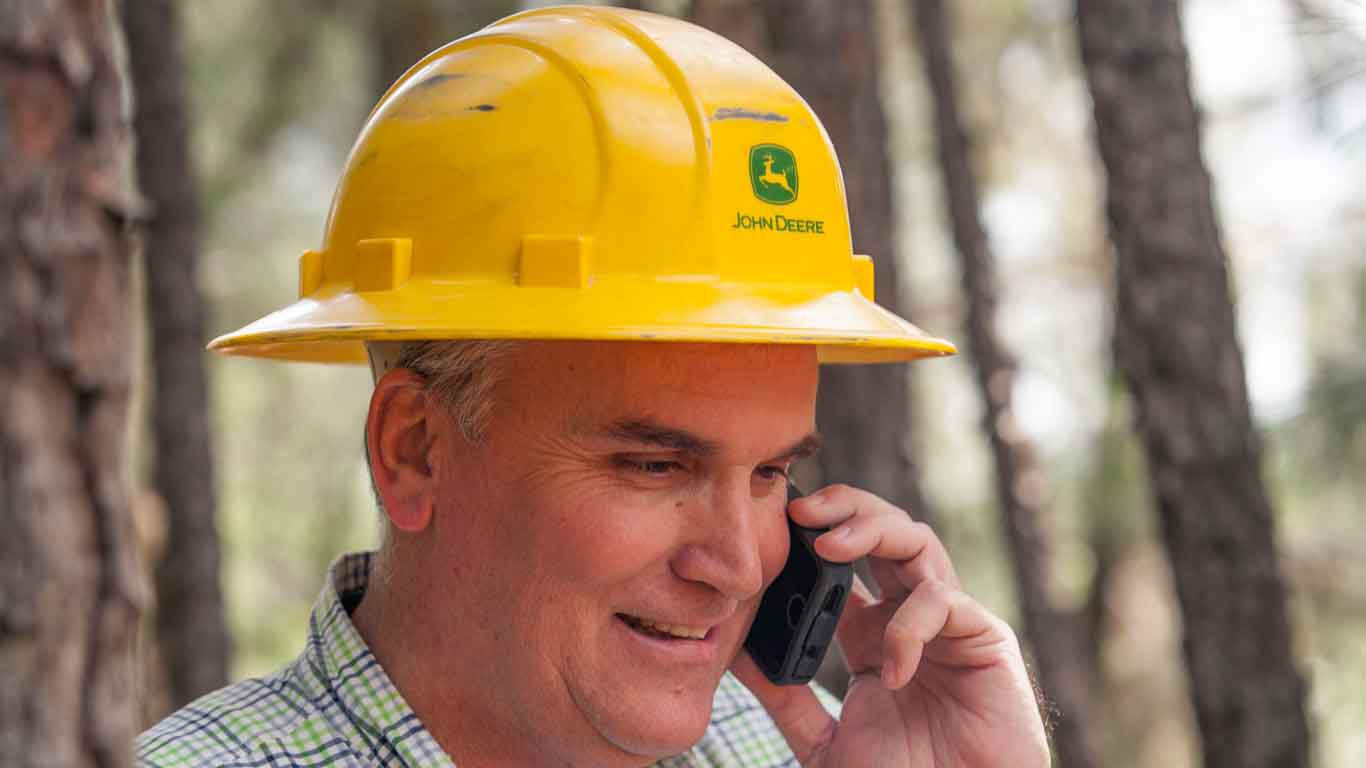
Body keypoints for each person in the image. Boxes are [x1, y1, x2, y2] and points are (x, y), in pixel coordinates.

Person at [137, 6, 1048, 767]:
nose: (736, 567)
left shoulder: (783, 747)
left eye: (772, 473)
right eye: (654, 466)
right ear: (412, 450)